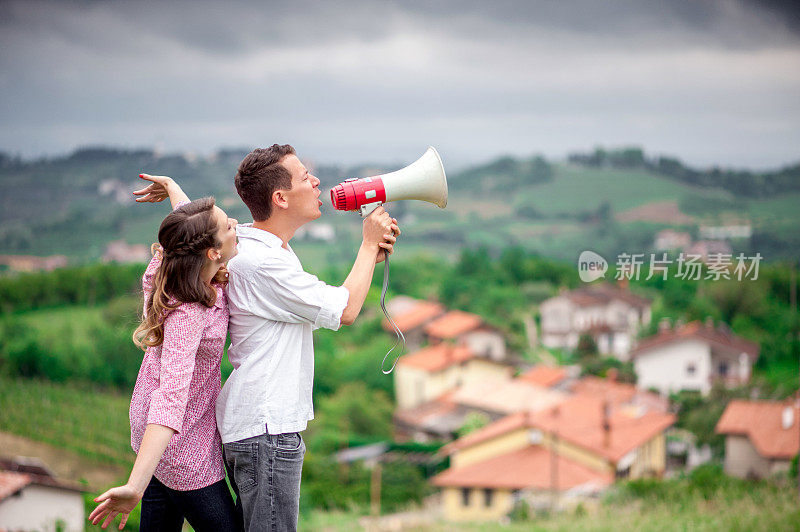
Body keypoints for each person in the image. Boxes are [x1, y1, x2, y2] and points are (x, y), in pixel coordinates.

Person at [216, 144, 399, 531]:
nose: (317, 181)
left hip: (262, 426)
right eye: (305, 177)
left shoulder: (260, 248)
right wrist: (367, 245)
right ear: (280, 198)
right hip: (266, 427)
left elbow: (320, 308)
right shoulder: (263, 262)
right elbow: (345, 311)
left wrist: (368, 259)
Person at [89, 174, 241, 531]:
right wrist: (134, 486)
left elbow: (190, 232)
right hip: (181, 443)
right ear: (213, 252)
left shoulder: (176, 266)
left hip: (162, 439)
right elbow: (171, 397)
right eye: (228, 225)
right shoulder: (189, 312)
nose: (236, 224)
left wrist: (175, 191)